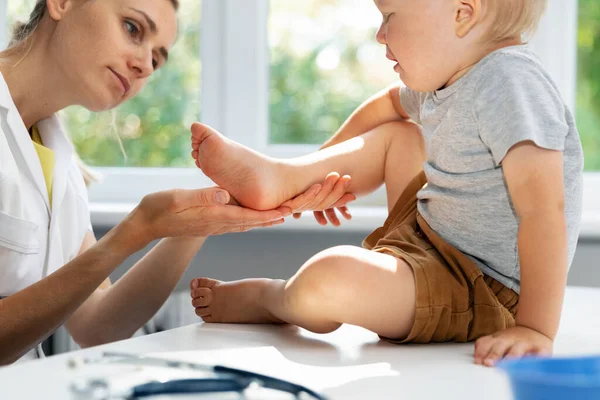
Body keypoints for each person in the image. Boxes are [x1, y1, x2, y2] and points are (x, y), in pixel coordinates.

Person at [189, 0, 583, 367]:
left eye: (390, 16)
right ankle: (283, 177)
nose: (380, 34)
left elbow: (544, 211)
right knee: (400, 135)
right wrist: (316, 173)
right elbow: (388, 105)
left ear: (463, 13)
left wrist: (534, 327)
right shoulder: (454, 76)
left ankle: (273, 297)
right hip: (431, 238)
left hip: (480, 288)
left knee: (328, 276)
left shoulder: (511, 81)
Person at [0, 0, 354, 365]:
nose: (142, 66)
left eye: (156, 59)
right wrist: (135, 230)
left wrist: (199, 222)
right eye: (132, 28)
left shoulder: (56, 155)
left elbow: (97, 324)